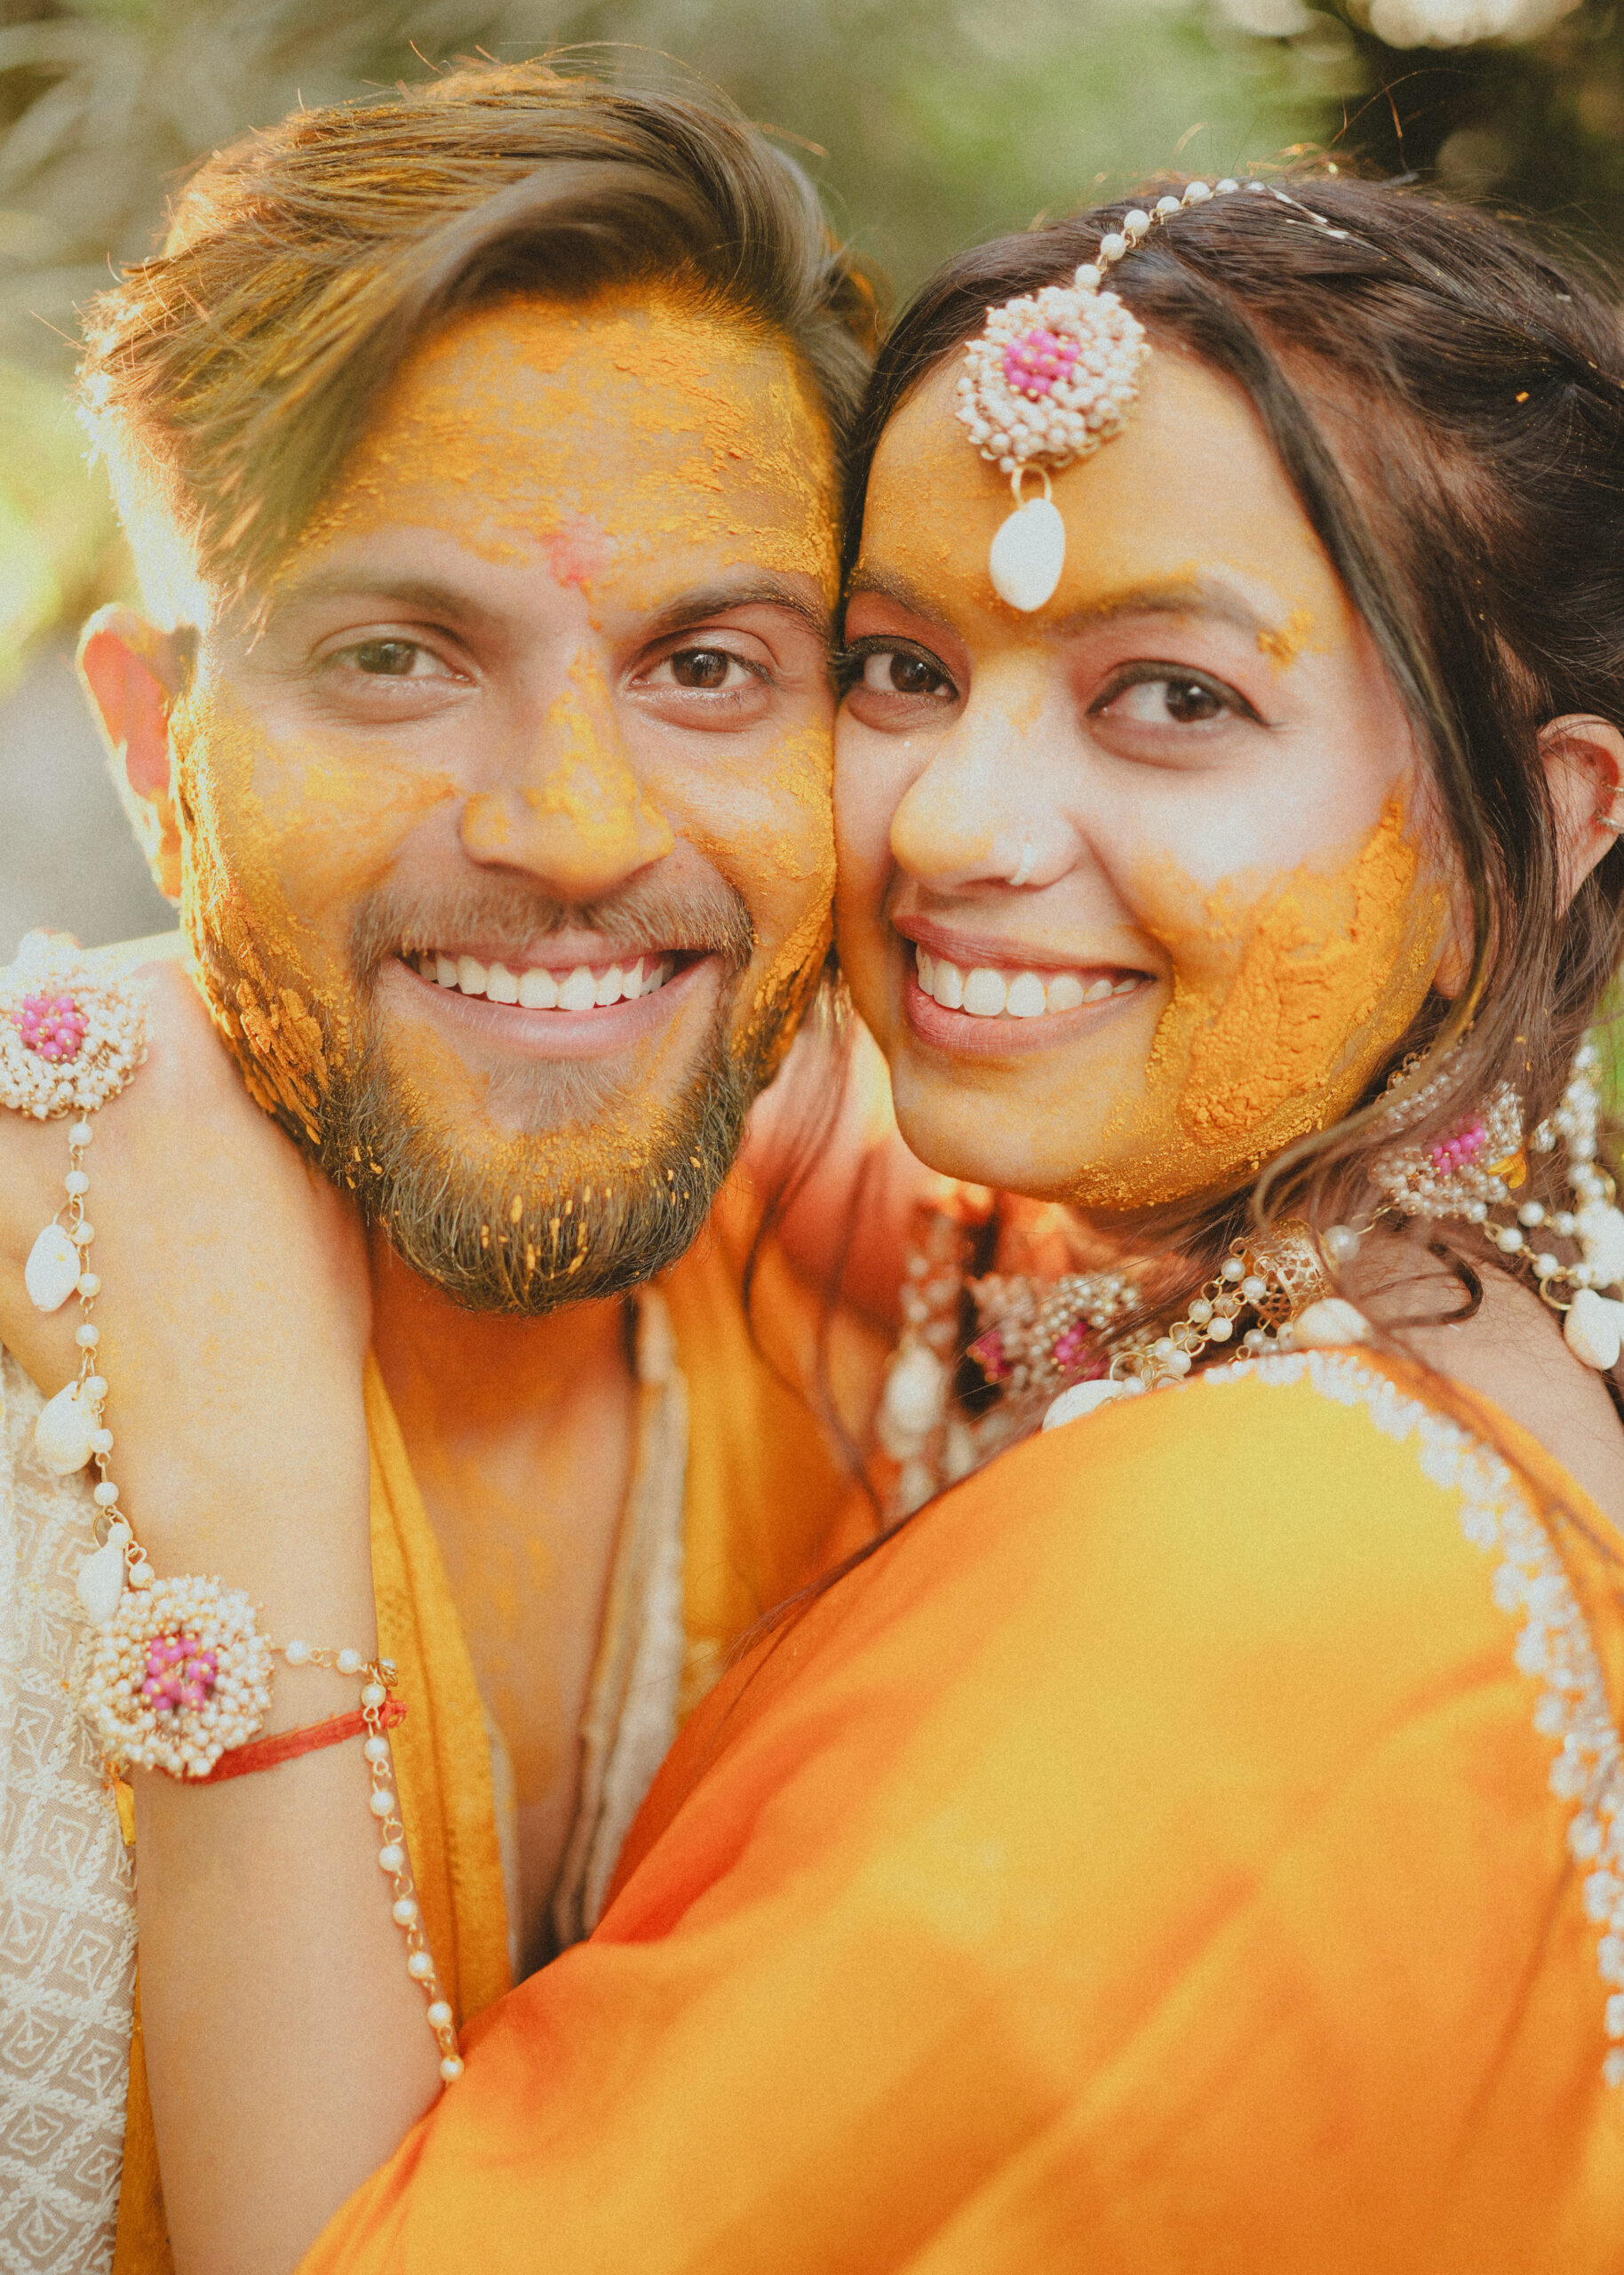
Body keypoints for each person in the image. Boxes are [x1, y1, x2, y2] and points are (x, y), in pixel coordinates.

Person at [34, 169, 1624, 2271]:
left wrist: (234, 1470)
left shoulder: (1249, 1552)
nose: (955, 824)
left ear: (1544, 817)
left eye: (1173, 696)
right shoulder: (1390, 1343)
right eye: (896, 667)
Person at [0, 60, 904, 2275]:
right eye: (393, 658)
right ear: (151, 744)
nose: (573, 825)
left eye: (709, 664)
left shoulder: (888, 1344)